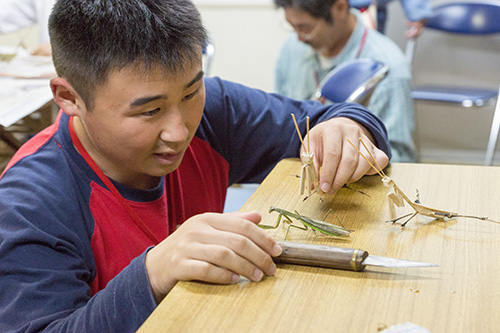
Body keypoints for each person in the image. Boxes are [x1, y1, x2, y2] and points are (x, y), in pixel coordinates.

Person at [0, 0, 391, 331]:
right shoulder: (29, 206)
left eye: (191, 92)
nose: (179, 130)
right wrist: (150, 276)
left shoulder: (211, 114)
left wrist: (349, 128)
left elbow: (329, 116)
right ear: (68, 97)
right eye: (149, 111)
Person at [274, 0, 416, 162]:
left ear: (340, 8)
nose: (299, 38)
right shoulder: (291, 50)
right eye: (293, 27)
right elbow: (280, 124)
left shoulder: (389, 66)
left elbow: (400, 158)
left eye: (305, 28)